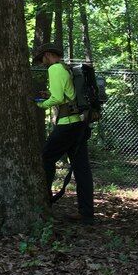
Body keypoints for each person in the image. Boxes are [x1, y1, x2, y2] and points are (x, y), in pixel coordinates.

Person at [33, 42, 94, 224]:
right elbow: (65, 94)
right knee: (82, 169)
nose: (43, 62)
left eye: (42, 58)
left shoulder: (54, 69)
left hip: (67, 124)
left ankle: (44, 202)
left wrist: (40, 104)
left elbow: (59, 98)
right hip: (80, 124)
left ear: (48, 55)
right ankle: (87, 213)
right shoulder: (66, 68)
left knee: (46, 158)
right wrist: (49, 95)